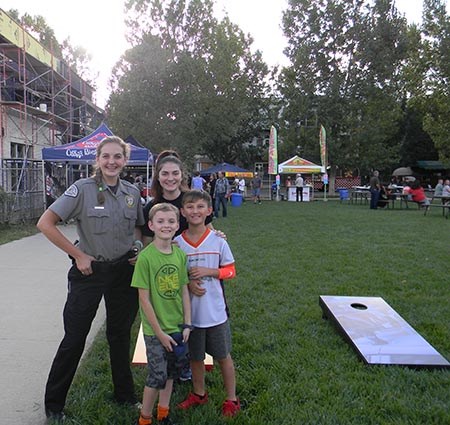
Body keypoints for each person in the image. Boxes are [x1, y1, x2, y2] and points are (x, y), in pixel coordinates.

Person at [37, 136, 144, 421]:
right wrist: (78, 255)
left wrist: (137, 247)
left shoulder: (132, 192)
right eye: (106, 156)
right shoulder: (81, 190)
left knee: (120, 336)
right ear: (97, 159)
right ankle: (54, 404)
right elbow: (45, 224)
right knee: (74, 338)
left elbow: (138, 228)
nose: (111, 162)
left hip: (123, 272)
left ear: (124, 160)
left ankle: (125, 396)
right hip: (89, 272)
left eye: (117, 157)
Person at [175, 190, 240, 418]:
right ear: (183, 212)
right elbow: (175, 276)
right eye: (190, 207)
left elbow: (231, 271)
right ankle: (199, 393)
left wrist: (209, 272)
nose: (195, 211)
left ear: (209, 211)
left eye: (200, 207)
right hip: (190, 315)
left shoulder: (218, 241)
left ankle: (231, 398)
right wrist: (189, 281)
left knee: (223, 356)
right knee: (195, 357)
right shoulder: (177, 244)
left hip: (215, 313)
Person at [132, 203, 191, 425]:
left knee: (171, 374)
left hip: (177, 328)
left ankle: (163, 413)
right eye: (160, 221)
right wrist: (159, 333)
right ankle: (144, 418)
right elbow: (144, 299)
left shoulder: (180, 255)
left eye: (170, 221)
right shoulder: (146, 258)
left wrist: (187, 324)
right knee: (157, 376)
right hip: (155, 330)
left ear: (177, 225)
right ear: (151, 225)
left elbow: (184, 291)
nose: (166, 225)